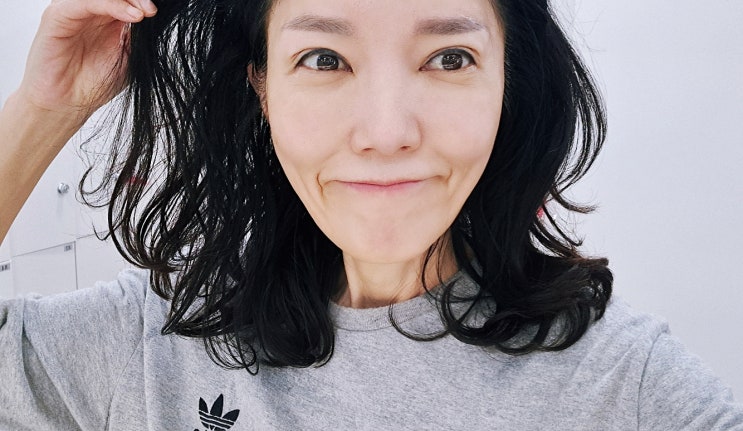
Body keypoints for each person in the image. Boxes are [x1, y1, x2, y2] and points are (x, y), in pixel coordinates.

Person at [0, 0, 741, 429]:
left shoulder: (620, 383)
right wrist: (43, 109)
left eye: (449, 58)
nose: (386, 132)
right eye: (324, 59)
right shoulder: (158, 341)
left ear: (508, 83)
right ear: (262, 86)